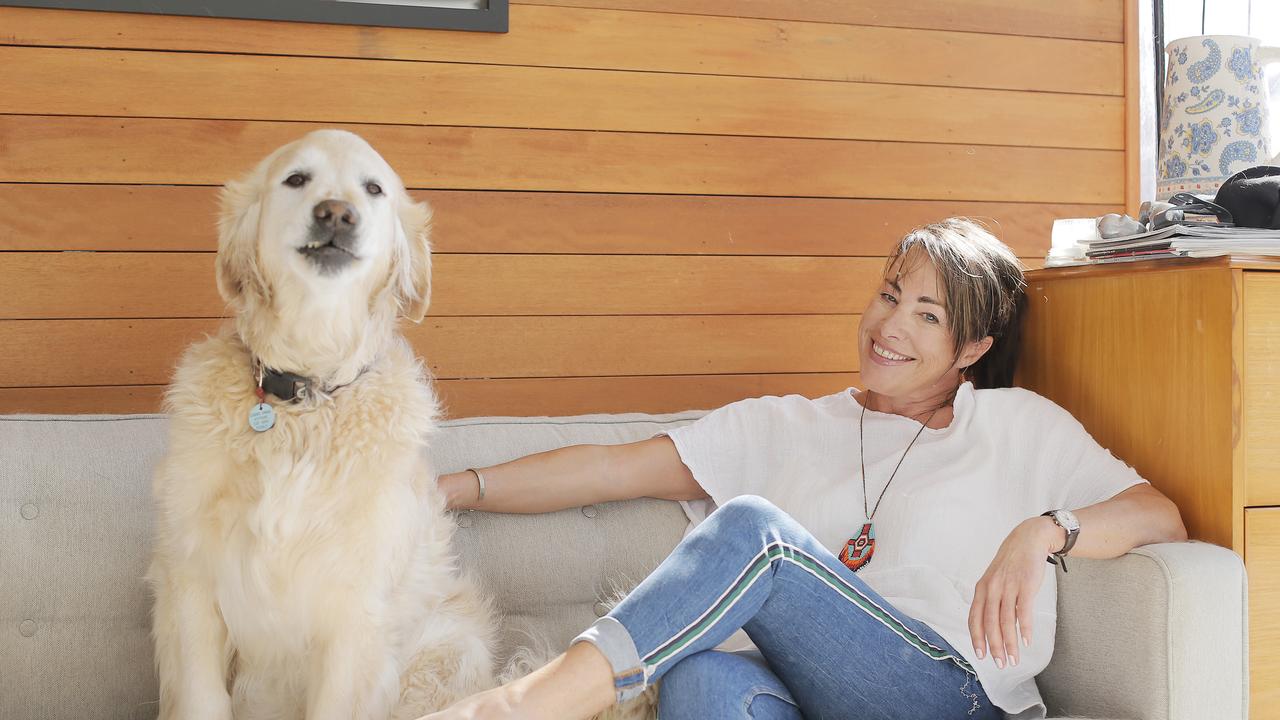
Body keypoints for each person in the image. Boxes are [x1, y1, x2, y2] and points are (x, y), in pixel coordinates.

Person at [421, 218, 1188, 720]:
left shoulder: (1018, 425)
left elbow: (1160, 515)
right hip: (800, 696)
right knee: (699, 681)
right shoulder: (785, 426)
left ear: (972, 350)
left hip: (947, 692)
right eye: (890, 295)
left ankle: (525, 706)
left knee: (756, 532)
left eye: (928, 314)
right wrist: (448, 488)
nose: (890, 326)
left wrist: (1043, 532)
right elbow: (607, 471)